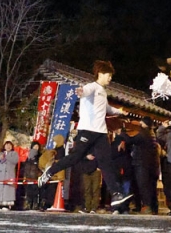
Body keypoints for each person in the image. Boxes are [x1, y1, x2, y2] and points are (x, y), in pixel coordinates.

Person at [38, 60, 131, 207]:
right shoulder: (92, 87)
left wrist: (120, 112)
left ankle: (116, 194)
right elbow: (84, 91)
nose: (110, 78)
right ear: (100, 74)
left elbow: (107, 108)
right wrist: (80, 92)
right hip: (87, 130)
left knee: (106, 163)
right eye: (108, 75)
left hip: (101, 133)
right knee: (75, 157)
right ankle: (50, 171)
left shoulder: (103, 92)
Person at [124, 116, 160, 215]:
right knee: (150, 186)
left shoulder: (143, 134)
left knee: (143, 186)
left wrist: (121, 132)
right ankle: (153, 207)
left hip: (141, 164)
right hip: (150, 164)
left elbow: (130, 140)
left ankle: (147, 206)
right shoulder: (151, 134)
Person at [38, 134, 66, 210]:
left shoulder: (60, 151)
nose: (54, 143)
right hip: (53, 175)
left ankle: (50, 204)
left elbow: (58, 164)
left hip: (55, 176)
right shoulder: (57, 150)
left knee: (52, 191)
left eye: (55, 141)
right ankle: (47, 204)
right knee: (49, 190)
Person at [0, 141, 19, 211]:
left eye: (10, 145)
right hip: (0, 176)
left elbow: (15, 161)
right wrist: (0, 158)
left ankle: (7, 205)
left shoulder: (14, 154)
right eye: (7, 145)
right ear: (4, 146)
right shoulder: (0, 153)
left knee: (8, 191)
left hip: (9, 175)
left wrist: (6, 156)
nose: (8, 146)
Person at [22, 141, 41, 210]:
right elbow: (26, 167)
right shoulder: (28, 157)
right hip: (28, 177)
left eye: (37, 146)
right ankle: (28, 204)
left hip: (35, 177)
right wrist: (25, 176)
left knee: (35, 192)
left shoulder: (39, 156)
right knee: (28, 192)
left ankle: (35, 204)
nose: (36, 148)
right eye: (35, 146)